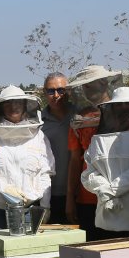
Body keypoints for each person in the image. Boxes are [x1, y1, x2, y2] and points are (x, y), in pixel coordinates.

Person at [0, 86, 54, 230]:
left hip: (31, 206)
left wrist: (45, 206)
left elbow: (45, 172)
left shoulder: (38, 136)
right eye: (8, 103)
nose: (13, 107)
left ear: (25, 106)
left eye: (18, 102)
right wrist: (3, 189)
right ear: (0, 108)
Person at [81, 87, 129, 239]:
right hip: (105, 218)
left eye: (128, 104)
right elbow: (88, 175)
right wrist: (104, 190)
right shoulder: (98, 140)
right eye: (119, 105)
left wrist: (110, 191)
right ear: (111, 109)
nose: (124, 108)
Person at [65, 65, 120, 236]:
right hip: (87, 197)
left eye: (90, 84)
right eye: (84, 85)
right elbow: (75, 160)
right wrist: (70, 199)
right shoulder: (81, 120)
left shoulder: (126, 111)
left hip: (119, 195)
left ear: (104, 83)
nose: (87, 89)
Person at [40, 72, 72, 224]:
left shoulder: (80, 116)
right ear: (44, 93)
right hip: (48, 195)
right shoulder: (38, 123)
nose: (56, 95)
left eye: (61, 90)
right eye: (51, 91)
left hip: (79, 192)